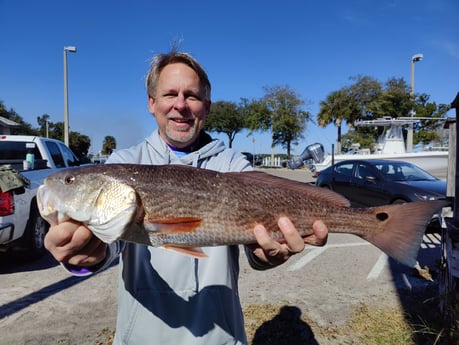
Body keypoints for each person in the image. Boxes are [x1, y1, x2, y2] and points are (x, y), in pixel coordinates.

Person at [44, 50, 329, 345]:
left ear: (206, 106)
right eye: (169, 94)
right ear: (152, 103)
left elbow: (255, 250)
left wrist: (264, 255)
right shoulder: (122, 163)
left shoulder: (233, 166)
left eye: (191, 95)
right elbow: (108, 247)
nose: (180, 105)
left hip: (221, 338)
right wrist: (85, 258)